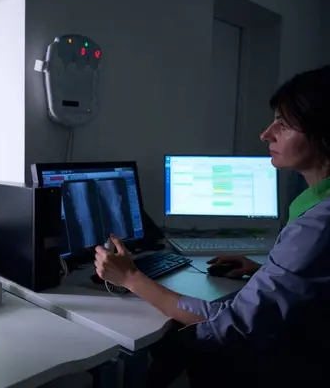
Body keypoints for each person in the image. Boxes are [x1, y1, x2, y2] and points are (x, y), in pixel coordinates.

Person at [94, 65, 330, 387]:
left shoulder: (317, 226)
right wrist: (260, 271)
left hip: (287, 366)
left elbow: (229, 323)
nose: (266, 134)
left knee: (170, 340)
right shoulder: (313, 201)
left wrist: (131, 278)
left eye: (284, 125)